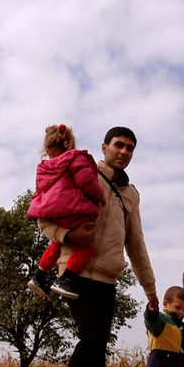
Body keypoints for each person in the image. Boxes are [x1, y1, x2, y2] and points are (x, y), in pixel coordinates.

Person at [40, 126, 158, 367]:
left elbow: (136, 243)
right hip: (76, 271)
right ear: (104, 146)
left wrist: (150, 287)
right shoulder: (82, 172)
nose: (123, 151)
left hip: (107, 277)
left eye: (130, 148)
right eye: (118, 145)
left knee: (97, 353)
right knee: (91, 340)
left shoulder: (131, 194)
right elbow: (44, 216)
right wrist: (66, 237)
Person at [26, 123, 107, 300]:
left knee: (57, 243)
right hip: (74, 211)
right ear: (69, 144)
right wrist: (101, 196)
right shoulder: (75, 158)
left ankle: (39, 276)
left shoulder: (44, 168)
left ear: (47, 148)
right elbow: (85, 180)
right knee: (86, 248)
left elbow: (41, 190)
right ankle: (65, 279)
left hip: (54, 214)